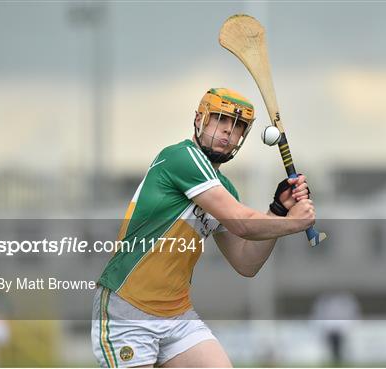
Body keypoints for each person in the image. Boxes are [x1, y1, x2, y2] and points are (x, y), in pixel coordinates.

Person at [91, 88, 316, 367]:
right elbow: (242, 223)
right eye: (220, 121)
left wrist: (277, 210)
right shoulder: (181, 158)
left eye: (236, 128)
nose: (227, 133)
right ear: (199, 119)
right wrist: (292, 222)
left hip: (177, 316)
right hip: (128, 310)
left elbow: (246, 262)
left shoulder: (225, 190)